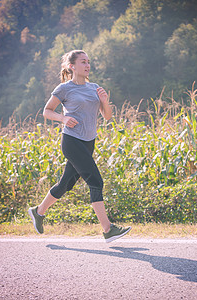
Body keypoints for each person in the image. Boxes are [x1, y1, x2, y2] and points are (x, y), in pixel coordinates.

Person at [28, 50, 131, 243]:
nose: (87, 65)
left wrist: (105, 101)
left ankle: (38, 212)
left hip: (88, 141)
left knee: (67, 183)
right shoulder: (64, 88)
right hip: (72, 141)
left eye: (89, 62)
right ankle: (108, 229)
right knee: (96, 181)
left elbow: (107, 116)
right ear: (72, 66)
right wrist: (63, 118)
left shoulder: (94, 88)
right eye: (83, 62)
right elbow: (47, 111)